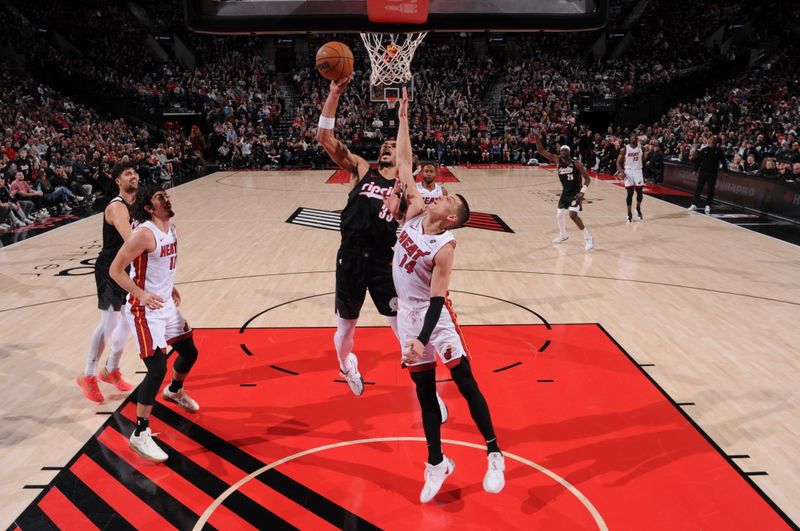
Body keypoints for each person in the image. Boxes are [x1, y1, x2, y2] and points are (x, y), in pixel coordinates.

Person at [391, 88, 505, 504]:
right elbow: (404, 163)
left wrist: (422, 336)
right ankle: (436, 462)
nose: (440, 195)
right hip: (406, 314)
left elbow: (438, 300)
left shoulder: (447, 246)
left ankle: (494, 452)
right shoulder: (418, 208)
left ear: (452, 216)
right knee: (424, 395)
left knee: (464, 380)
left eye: (449, 199)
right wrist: (403, 118)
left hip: (433, 319)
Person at [110, 186, 201, 462]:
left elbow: (163, 266)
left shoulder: (171, 229)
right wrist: (140, 294)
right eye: (160, 197)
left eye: (167, 195)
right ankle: (140, 433)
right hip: (144, 308)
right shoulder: (144, 234)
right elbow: (115, 269)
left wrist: (171, 287)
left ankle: (174, 391)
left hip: (165, 303)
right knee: (157, 366)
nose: (167, 198)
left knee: (189, 352)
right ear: (149, 208)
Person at [77, 162, 138, 403]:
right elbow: (130, 240)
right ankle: (88, 375)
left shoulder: (135, 205)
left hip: (126, 268)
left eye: (134, 172)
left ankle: (110, 369)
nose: (133, 175)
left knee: (129, 320)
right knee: (110, 321)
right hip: (110, 270)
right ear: (118, 182)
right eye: (127, 173)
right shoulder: (117, 206)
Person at [532, 132, 593, 251]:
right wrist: (537, 138)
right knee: (559, 215)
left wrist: (582, 192)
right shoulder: (557, 160)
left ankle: (588, 238)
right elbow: (541, 151)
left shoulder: (576, 164)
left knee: (572, 215)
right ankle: (563, 235)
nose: (562, 152)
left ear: (569, 152)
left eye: (564, 150)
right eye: (561, 150)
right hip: (565, 193)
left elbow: (587, 178)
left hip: (576, 193)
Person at [688, 135, 728, 214]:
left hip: (712, 173)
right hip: (703, 172)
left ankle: (708, 205)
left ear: (716, 142)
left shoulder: (719, 151)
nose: (711, 141)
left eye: (713, 140)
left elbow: (723, 161)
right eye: (710, 140)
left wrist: (725, 171)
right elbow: (698, 161)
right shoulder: (704, 150)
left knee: (711, 190)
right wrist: (695, 170)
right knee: (698, 188)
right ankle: (694, 204)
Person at [617, 133, 645, 222]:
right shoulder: (625, 149)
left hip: (638, 171)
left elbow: (644, 158)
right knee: (630, 193)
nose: (633, 139)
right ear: (629, 139)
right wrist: (622, 171)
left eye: (635, 137)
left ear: (637, 139)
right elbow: (618, 162)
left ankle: (637, 208)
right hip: (628, 171)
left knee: (640, 193)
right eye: (632, 137)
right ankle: (629, 213)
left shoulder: (641, 148)